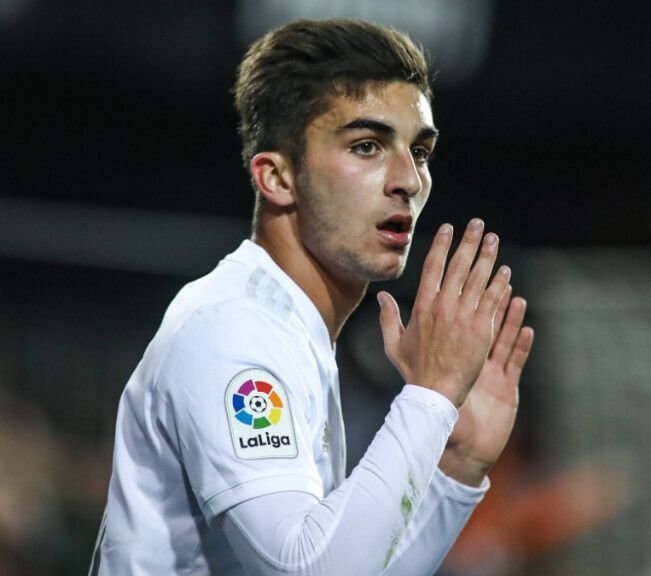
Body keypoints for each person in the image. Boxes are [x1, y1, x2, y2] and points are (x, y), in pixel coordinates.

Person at [90, 18, 534, 576]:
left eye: (420, 151)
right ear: (277, 178)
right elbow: (308, 569)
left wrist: (458, 465)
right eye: (367, 146)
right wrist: (431, 395)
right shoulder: (232, 330)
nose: (408, 179)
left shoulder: (289, 328)